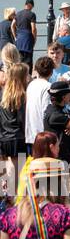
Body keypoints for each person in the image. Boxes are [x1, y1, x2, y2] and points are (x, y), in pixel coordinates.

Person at [44, 81, 70, 166]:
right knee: (61, 179)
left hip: (66, 153)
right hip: (59, 157)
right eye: (68, 94)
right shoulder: (56, 115)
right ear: (63, 97)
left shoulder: (57, 108)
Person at [0, 62, 27, 198]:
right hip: (18, 137)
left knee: (8, 169)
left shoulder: (3, 94)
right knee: (18, 172)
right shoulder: (21, 95)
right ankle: (14, 199)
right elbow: (22, 120)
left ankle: (7, 196)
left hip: (4, 137)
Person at [11, 0, 37, 66]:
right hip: (28, 39)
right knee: (28, 60)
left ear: (25, 4)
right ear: (31, 5)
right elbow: (33, 28)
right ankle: (28, 75)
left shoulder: (18, 14)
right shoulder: (32, 14)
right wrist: (34, 39)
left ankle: (19, 74)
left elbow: (12, 26)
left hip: (19, 39)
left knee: (19, 59)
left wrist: (15, 37)